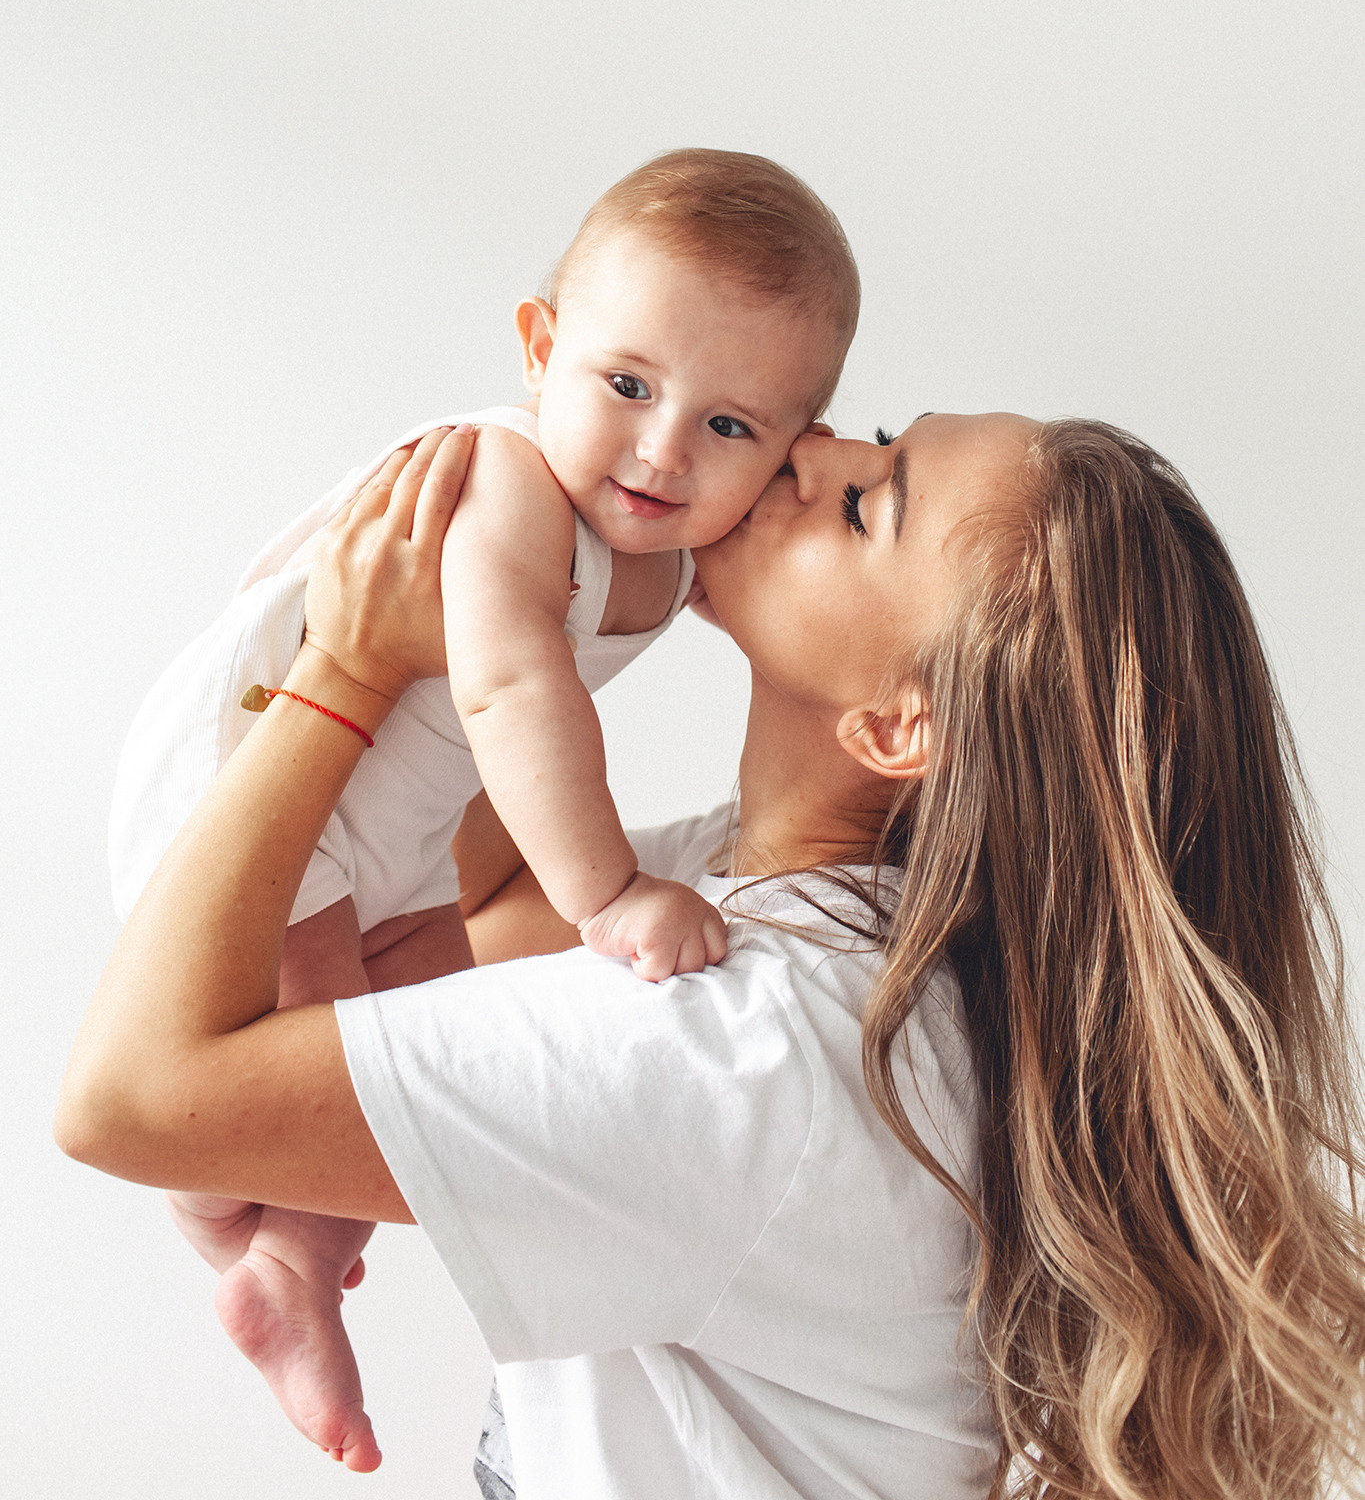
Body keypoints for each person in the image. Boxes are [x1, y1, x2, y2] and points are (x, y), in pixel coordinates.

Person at [59, 414, 1365, 1500]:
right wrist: (497, 600)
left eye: (865, 506)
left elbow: (133, 1099)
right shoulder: (814, 921)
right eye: (866, 437)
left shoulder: (755, 1044)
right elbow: (501, 895)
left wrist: (342, 673)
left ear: (900, 723)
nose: (804, 451)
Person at [103, 148, 861, 1469]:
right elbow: (513, 695)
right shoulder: (507, 485)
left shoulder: (667, 549)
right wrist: (609, 895)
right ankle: (241, 1227)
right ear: (539, 348)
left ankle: (276, 1265)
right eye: (627, 384)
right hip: (257, 779)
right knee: (276, 1085)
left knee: (418, 1034)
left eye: (730, 428)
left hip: (381, 841)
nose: (662, 447)